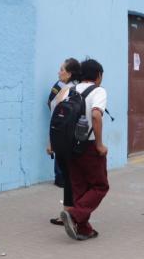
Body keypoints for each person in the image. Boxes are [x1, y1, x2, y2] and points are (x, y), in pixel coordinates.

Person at [60, 59, 109, 241]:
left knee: (80, 187)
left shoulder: (70, 90)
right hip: (88, 146)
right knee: (100, 186)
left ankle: (83, 229)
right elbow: (96, 115)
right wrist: (99, 144)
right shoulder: (98, 91)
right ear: (98, 76)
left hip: (70, 146)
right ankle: (74, 215)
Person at [46, 58, 81, 226]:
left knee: (71, 179)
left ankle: (74, 214)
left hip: (67, 141)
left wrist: (52, 142)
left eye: (62, 69)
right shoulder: (64, 89)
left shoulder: (70, 91)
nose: (59, 72)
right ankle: (69, 213)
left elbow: (59, 121)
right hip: (63, 141)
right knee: (69, 179)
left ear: (70, 73)